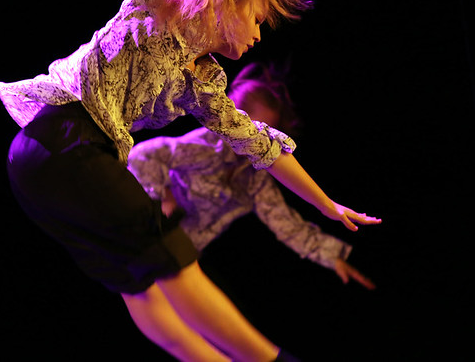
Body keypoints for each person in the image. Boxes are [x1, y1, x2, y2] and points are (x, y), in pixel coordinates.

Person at [0, 0, 381, 361]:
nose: (258, 35)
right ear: (228, 1)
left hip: (49, 171)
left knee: (141, 286)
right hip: (61, 137)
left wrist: (326, 204)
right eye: (257, 20)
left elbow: (260, 145)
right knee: (172, 257)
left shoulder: (205, 84)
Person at [129, 62, 376, 290]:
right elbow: (143, 155)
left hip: (178, 256)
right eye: (249, 128)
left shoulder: (255, 179)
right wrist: (162, 199)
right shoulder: (206, 145)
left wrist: (333, 258)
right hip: (146, 233)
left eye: (262, 133)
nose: (253, 139)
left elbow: (288, 225)